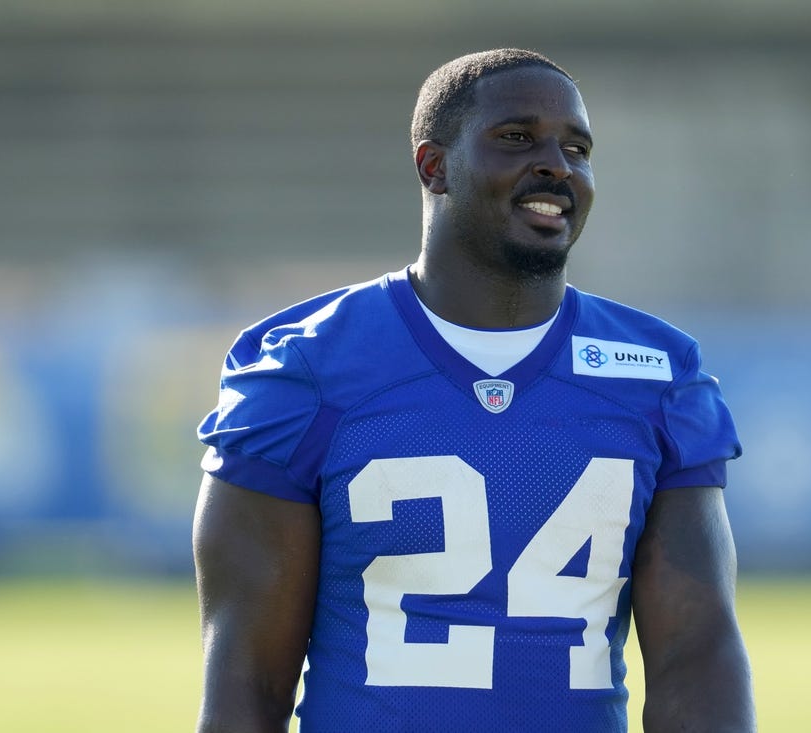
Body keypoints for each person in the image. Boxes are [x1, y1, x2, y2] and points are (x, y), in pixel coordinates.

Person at [193, 48, 755, 733]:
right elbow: (246, 678)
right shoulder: (304, 369)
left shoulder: (656, 375)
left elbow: (696, 654)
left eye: (577, 147)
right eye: (518, 137)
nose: (557, 163)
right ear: (434, 166)